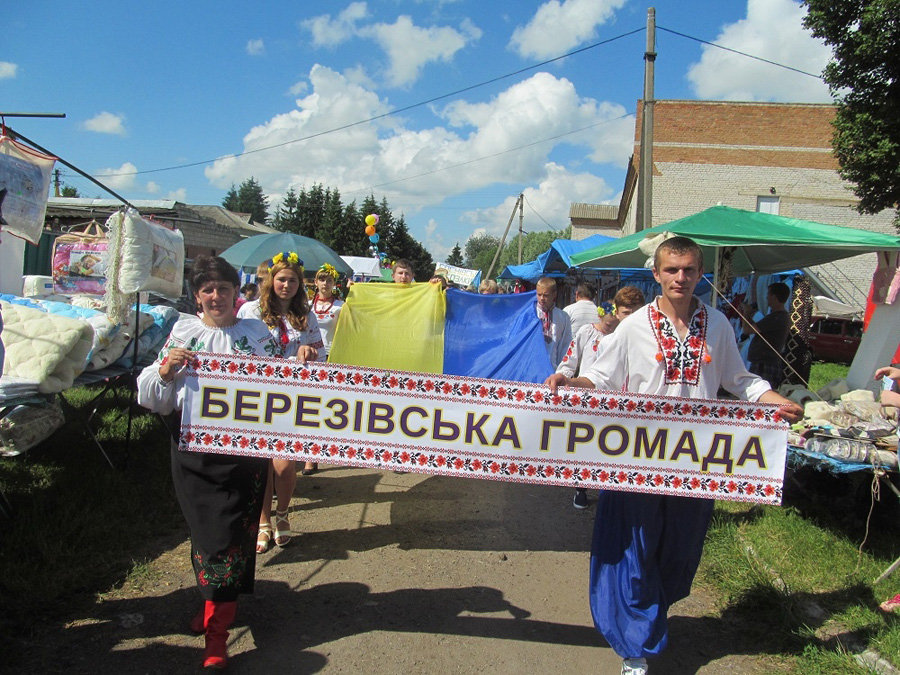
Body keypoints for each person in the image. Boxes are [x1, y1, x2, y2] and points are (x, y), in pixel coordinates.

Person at [545, 237, 802, 675]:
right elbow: (603, 377)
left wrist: (773, 398)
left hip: (694, 461)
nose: (680, 277)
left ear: (699, 273)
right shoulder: (634, 326)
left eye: (688, 270)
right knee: (633, 550)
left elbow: (738, 379)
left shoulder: (717, 324)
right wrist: (572, 384)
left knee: (679, 552)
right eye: (672, 270)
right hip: (638, 457)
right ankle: (634, 646)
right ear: (657, 274)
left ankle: (650, 614)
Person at [136, 255, 280, 669]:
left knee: (230, 537)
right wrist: (166, 370)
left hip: (244, 458)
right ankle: (211, 610)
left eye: (224, 288)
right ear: (197, 296)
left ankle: (217, 632)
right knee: (207, 535)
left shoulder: (257, 334)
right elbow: (153, 396)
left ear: (238, 292)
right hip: (195, 455)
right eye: (207, 290)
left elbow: (282, 391)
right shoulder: (184, 332)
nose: (216, 296)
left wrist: (297, 369)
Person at [237, 252, 325, 553]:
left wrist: (308, 353)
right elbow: (239, 349)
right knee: (261, 463)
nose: (286, 285)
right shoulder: (250, 312)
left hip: (292, 396)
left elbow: (319, 353)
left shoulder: (306, 315)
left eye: (292, 280)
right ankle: (263, 520)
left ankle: (283, 513)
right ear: (271, 281)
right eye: (281, 279)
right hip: (258, 395)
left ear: (300, 284)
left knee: (285, 464)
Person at [559, 286, 646, 510]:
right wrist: (565, 380)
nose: (629, 319)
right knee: (587, 443)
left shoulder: (640, 341)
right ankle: (581, 487)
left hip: (624, 402)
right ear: (614, 313)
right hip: (591, 396)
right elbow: (570, 360)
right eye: (626, 314)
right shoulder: (588, 334)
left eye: (636, 314)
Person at [305, 263, 345, 475]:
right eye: (322, 279)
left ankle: (314, 454)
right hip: (307, 358)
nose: (325, 283)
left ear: (334, 283)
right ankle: (308, 454)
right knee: (308, 407)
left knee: (323, 407)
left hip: (330, 358)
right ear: (315, 282)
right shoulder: (305, 305)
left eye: (329, 280)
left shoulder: (340, 305)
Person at [741, 282, 791, 388]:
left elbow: (747, 329)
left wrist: (745, 313)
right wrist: (747, 315)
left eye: (768, 294)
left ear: (774, 297)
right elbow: (755, 328)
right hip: (764, 363)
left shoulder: (776, 318)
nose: (766, 297)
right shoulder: (777, 317)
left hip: (765, 365)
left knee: (759, 396)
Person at [535, 277, 572, 369]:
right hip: (533, 367)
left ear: (554, 294)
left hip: (553, 368)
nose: (542, 298)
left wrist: (562, 370)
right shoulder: (531, 314)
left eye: (546, 295)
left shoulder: (563, 317)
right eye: (539, 295)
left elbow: (565, 345)